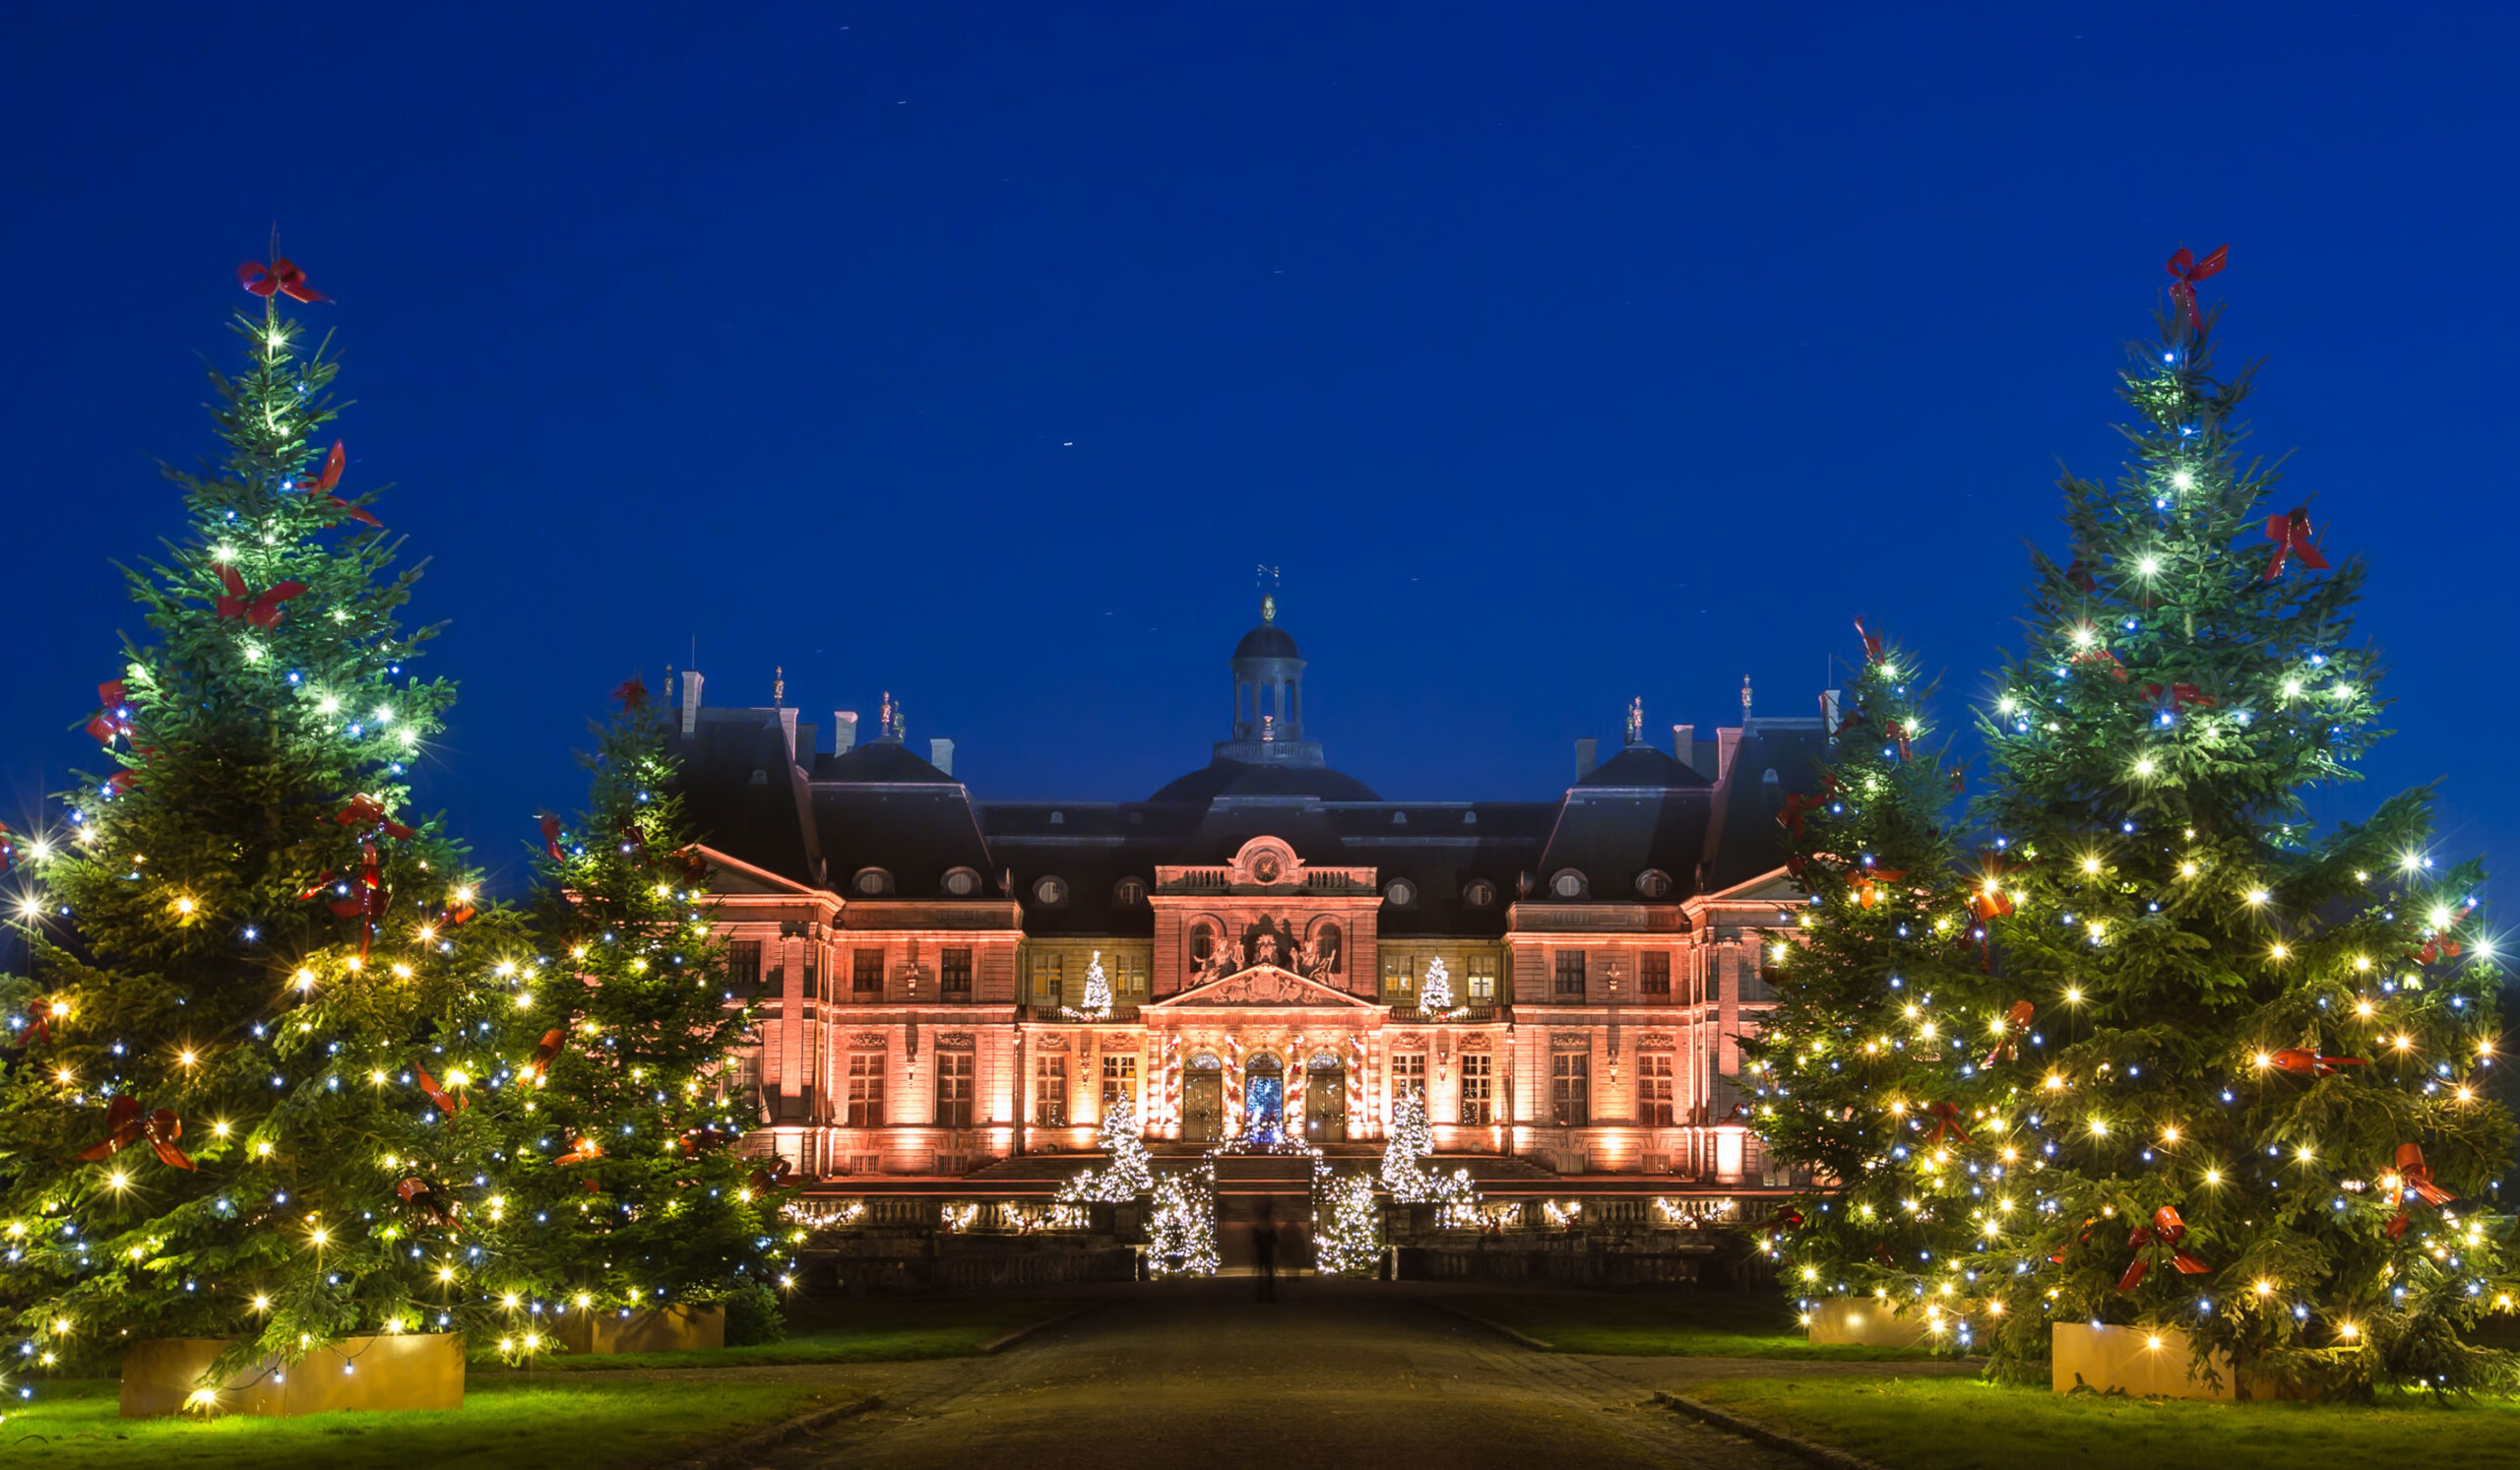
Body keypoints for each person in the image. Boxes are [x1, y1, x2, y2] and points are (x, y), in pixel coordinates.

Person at [1252, 1199, 1279, 1302]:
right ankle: (1270, 1295)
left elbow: (1254, 1241)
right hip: (1269, 1251)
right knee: (1270, 1274)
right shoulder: (1271, 1228)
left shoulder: (1257, 1228)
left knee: (1260, 1273)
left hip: (1260, 1251)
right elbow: (1275, 1240)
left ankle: (1259, 1294)